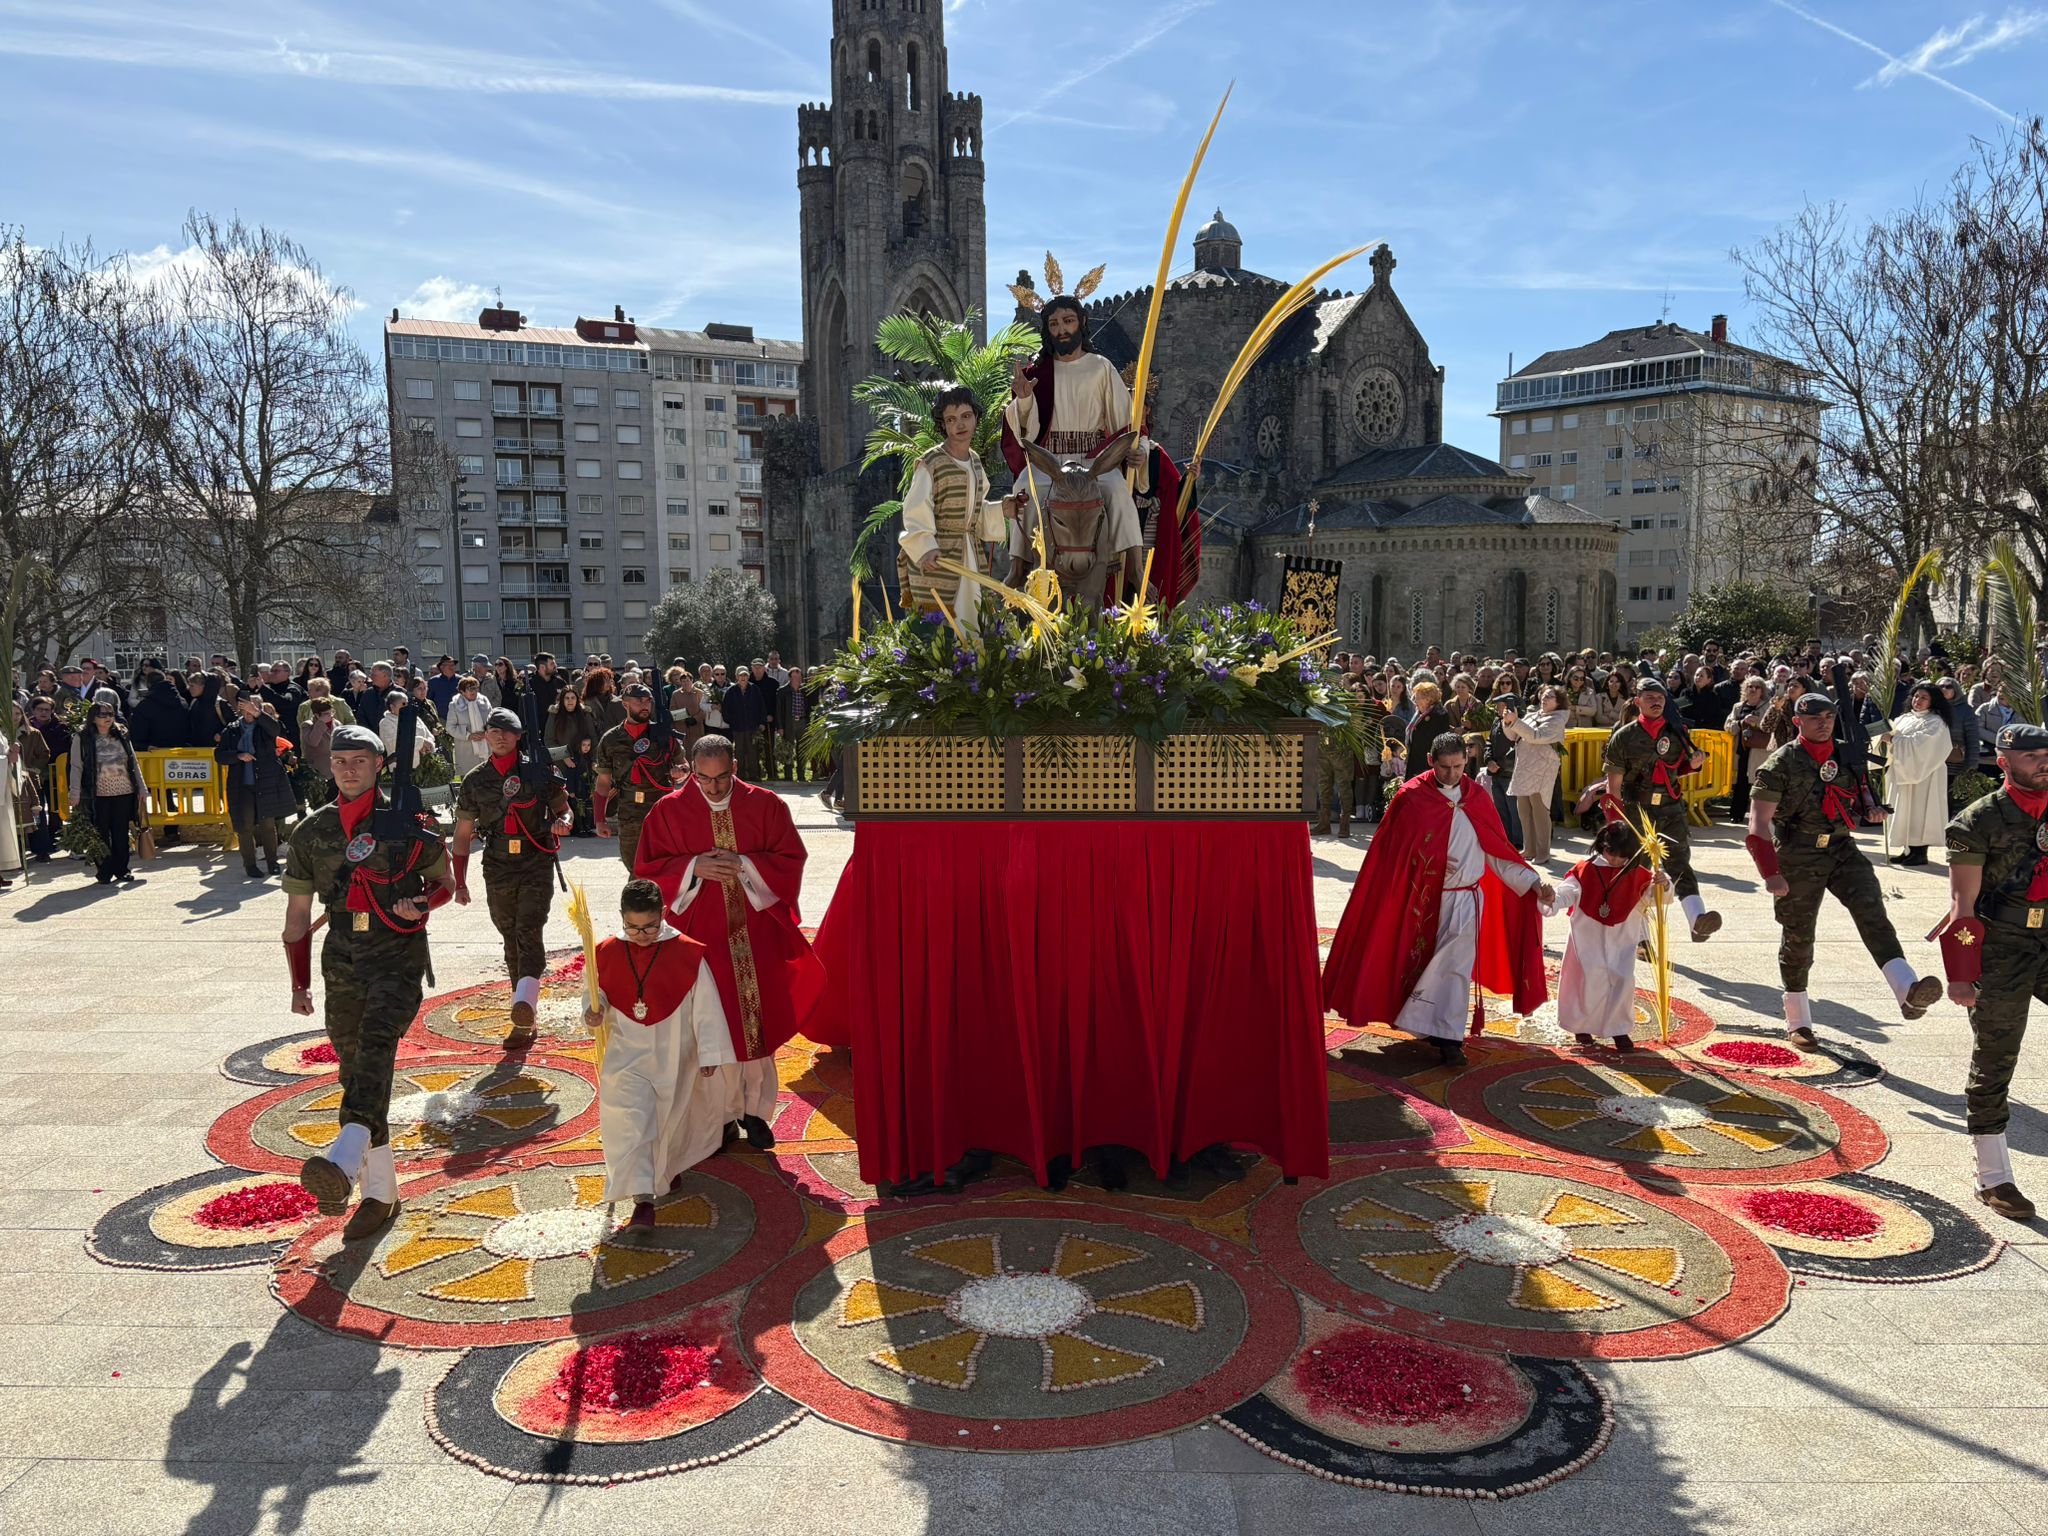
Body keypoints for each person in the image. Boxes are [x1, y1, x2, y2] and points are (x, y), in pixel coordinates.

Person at [284, 723, 455, 1240]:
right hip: (341, 959)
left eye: (360, 759)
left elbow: (446, 881)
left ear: (379, 764)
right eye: (340, 761)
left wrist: (424, 902)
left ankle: (343, 1160)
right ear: (329, 765)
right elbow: (296, 917)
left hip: (397, 952)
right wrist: (298, 984)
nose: (349, 769)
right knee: (356, 1068)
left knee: (377, 1045)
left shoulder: (412, 818)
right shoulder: (310, 832)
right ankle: (381, 1193)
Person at [1322, 732, 1552, 1068]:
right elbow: (1391, 858)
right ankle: (1427, 1024)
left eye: (1458, 766)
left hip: (1467, 902)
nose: (1451, 774)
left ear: (1466, 761)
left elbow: (1497, 852)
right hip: (1421, 900)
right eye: (1444, 767)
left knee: (1454, 969)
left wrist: (1533, 882)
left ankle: (1449, 1038)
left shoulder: (1477, 797)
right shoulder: (1411, 797)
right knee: (1424, 964)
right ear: (1431, 761)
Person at [632, 733, 825, 1106]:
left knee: (756, 1020)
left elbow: (791, 859)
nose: (714, 787)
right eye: (703, 778)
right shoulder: (668, 811)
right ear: (691, 772)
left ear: (734, 767)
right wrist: (693, 868)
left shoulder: (765, 805)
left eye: (721, 777)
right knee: (708, 1019)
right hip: (700, 935)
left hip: (755, 930)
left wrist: (746, 865)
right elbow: (646, 872)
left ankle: (754, 1109)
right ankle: (717, 1118)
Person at [1747, 692, 1942, 1049]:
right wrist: (1770, 872)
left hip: (1840, 848)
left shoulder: (1847, 753)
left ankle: (1907, 990)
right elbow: (1758, 825)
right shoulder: (1781, 763)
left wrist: (1870, 812)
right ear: (1798, 722)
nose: (1824, 723)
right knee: (1799, 936)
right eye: (1815, 717)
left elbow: (1858, 798)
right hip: (1798, 852)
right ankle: (1798, 1021)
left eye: (1829, 717)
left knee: (1873, 911)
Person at [586, 878, 744, 1226]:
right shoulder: (606, 951)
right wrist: (592, 1012)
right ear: (622, 918)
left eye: (650, 926)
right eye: (633, 927)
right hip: (626, 1055)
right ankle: (643, 1199)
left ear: (663, 913)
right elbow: (595, 994)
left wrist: (709, 1052)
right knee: (632, 1121)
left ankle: (664, 1170)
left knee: (670, 1121)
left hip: (675, 1054)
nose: (641, 934)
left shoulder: (687, 952)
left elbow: (706, 1007)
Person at [1938, 720, 2048, 1222]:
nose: (2043, 762)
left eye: (2047, 753)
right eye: (2031, 757)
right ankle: (1994, 1176)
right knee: (1996, 1056)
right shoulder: (1975, 822)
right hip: (2001, 946)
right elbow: (1963, 907)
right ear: (2003, 762)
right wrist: (1961, 975)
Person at [1000, 294, 1149, 588]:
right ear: (1047, 330)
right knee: (1024, 490)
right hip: (1051, 464)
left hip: (1094, 463)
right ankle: (1018, 567)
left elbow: (1128, 425)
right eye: (1054, 324)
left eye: (1067, 321)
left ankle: (1136, 569)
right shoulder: (1035, 374)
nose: (1061, 330)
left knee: (1118, 493)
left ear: (1081, 322)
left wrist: (1139, 451)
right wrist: (1025, 400)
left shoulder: (1101, 368)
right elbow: (1025, 437)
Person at [451, 706, 570, 1051]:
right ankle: (523, 1002)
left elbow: (563, 807)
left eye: (507, 730)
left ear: (519, 736)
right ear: (485, 736)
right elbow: (462, 834)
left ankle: (525, 1012)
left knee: (528, 930)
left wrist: (564, 821)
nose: (499, 736)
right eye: (493, 730)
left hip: (535, 860)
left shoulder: (539, 771)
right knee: (509, 936)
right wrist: (460, 880)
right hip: (498, 863)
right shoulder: (475, 780)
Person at [1594, 678, 1720, 941]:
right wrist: (1615, 822)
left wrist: (1696, 763)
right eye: (1649, 697)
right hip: (1636, 808)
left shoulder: (1677, 731)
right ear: (1637, 701)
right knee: (1635, 869)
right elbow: (1613, 785)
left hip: (1670, 807)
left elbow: (1678, 770)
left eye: (1660, 697)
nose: (1656, 701)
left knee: (1680, 863)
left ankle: (1697, 920)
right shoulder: (1624, 736)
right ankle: (1639, 937)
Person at [1548, 819, 1665, 1052]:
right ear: (1603, 846)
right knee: (1586, 981)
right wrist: (1552, 898)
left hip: (1622, 938)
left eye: (1623, 857)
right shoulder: (1585, 870)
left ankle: (1619, 1029)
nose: (1617, 861)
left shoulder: (1638, 874)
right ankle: (1581, 1025)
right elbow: (1567, 892)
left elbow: (1656, 896)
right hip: (1587, 937)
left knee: (1622, 980)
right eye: (1612, 854)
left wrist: (1663, 883)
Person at [899, 385, 1014, 620]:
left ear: (976, 418)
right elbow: (915, 511)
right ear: (943, 425)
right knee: (942, 628)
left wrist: (1002, 509)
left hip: (970, 556)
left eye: (966, 416)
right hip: (939, 559)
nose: (960, 425)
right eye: (951, 419)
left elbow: (974, 515)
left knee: (974, 622)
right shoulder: (930, 462)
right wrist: (926, 548)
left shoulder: (974, 462)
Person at [593, 682, 679, 870]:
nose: (645, 705)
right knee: (635, 869)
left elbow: (684, 764)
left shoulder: (663, 734)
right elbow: (603, 782)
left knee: (666, 867)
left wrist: (681, 771)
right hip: (629, 811)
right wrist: (599, 819)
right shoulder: (610, 739)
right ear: (625, 704)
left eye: (648, 701)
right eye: (639, 701)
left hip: (661, 810)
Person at [68, 700, 150, 885]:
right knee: (100, 834)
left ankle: (122, 870)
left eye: (110, 714)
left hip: (124, 791)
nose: (108, 718)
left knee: (121, 833)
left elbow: (133, 762)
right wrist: (75, 793)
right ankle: (104, 871)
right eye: (102, 715)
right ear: (93, 718)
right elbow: (76, 766)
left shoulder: (121, 734)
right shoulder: (82, 737)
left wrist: (142, 787)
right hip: (98, 793)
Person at [216, 691, 293, 879]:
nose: (250, 710)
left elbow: (276, 730)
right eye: (247, 706)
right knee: (245, 827)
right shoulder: (232, 729)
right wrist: (238, 756)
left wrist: (258, 714)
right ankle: (250, 865)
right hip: (242, 785)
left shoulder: (265, 727)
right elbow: (219, 755)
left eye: (255, 707)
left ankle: (272, 862)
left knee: (268, 825)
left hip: (265, 782)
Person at [1884, 680, 1953, 866]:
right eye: (1916, 696)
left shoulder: (1936, 722)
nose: (1918, 700)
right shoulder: (1904, 718)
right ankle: (1907, 849)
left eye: (1924, 698)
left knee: (1920, 812)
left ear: (1933, 701)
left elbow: (1922, 745)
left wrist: (1893, 739)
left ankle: (1920, 852)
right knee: (1903, 810)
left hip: (1925, 774)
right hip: (1902, 771)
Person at [1501, 684, 1569, 862]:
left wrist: (1516, 722)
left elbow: (1537, 736)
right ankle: (1529, 848)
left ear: (1559, 702)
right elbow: (1513, 736)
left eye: (1550, 697)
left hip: (1542, 769)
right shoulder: (1532, 714)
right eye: (1544, 695)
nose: (1544, 699)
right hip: (1524, 767)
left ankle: (1543, 852)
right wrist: (1508, 722)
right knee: (1523, 809)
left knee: (1539, 810)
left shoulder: (1557, 719)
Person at [548, 682, 598, 834]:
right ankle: (564, 826)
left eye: (573, 698)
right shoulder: (555, 714)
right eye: (567, 698)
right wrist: (564, 757)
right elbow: (549, 739)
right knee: (564, 793)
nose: (570, 701)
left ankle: (583, 826)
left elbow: (593, 737)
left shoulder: (585, 714)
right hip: (562, 761)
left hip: (582, 760)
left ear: (577, 700)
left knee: (582, 793)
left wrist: (594, 759)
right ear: (562, 700)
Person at [721, 668, 766, 781]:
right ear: (737, 677)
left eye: (745, 675)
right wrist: (732, 722)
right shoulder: (731, 691)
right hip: (738, 727)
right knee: (739, 751)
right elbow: (725, 709)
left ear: (748, 676)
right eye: (740, 675)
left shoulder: (755, 689)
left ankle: (754, 775)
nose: (743, 677)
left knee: (753, 751)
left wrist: (761, 722)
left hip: (752, 726)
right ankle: (740, 776)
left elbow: (761, 706)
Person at [444, 675, 493, 778]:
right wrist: (468, 735)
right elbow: (450, 727)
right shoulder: (455, 705)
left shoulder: (484, 701)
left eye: (475, 688)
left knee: (488, 776)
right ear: (462, 691)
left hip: (485, 744)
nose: (473, 691)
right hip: (466, 748)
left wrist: (486, 733)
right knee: (469, 778)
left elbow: (492, 721)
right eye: (470, 688)